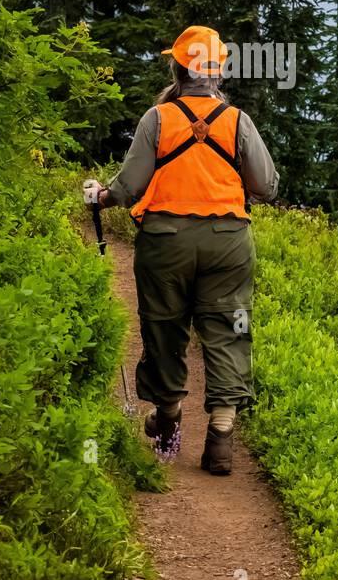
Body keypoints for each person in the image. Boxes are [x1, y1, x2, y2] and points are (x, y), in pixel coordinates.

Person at [92, 25, 278, 475]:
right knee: (227, 330)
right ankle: (220, 435)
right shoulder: (238, 121)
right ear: (219, 71)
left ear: (177, 66)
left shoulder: (157, 118)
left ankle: (169, 422)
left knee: (164, 327)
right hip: (229, 243)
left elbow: (129, 187)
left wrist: (101, 196)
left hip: (165, 243)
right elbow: (267, 187)